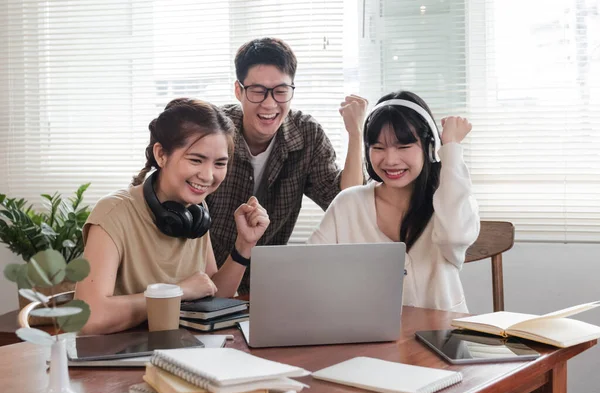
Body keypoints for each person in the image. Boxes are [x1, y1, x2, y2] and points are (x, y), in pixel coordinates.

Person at [76, 98, 270, 335]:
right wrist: (178, 292)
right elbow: (90, 317)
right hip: (121, 356)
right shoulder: (113, 214)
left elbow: (212, 292)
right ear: (161, 154)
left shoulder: (195, 211)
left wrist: (245, 244)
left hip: (179, 347)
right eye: (196, 160)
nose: (208, 176)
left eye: (220, 163)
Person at [207, 37, 367, 293]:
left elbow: (346, 203)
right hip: (206, 280)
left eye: (280, 91)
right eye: (258, 91)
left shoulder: (307, 135)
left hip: (264, 286)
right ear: (239, 91)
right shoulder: (214, 130)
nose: (270, 104)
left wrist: (356, 134)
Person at [307, 91, 480, 312]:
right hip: (367, 339)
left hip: (442, 339)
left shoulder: (450, 201)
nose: (390, 160)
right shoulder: (348, 204)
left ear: (429, 148)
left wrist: (451, 148)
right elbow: (309, 270)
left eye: (403, 147)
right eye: (378, 148)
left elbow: (455, 236)